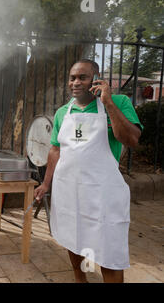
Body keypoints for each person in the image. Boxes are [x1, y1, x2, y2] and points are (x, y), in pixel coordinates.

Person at [34, 59, 142, 283]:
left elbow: (131, 139)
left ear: (96, 79)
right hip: (69, 191)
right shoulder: (63, 112)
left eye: (82, 77)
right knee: (73, 237)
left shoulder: (119, 102)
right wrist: (46, 184)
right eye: (72, 78)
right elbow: (55, 150)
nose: (75, 82)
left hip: (103, 193)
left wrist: (109, 103)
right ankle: (80, 278)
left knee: (108, 250)